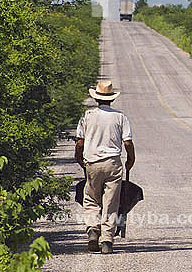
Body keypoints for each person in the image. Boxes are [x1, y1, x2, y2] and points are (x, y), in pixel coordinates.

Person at [75, 80, 135, 254]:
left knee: (91, 198)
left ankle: (93, 229)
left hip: (92, 162)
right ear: (112, 99)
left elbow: (80, 143)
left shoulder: (87, 116)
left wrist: (80, 159)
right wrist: (131, 159)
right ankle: (107, 240)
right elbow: (128, 142)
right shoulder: (120, 117)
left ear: (96, 99)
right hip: (113, 163)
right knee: (111, 201)